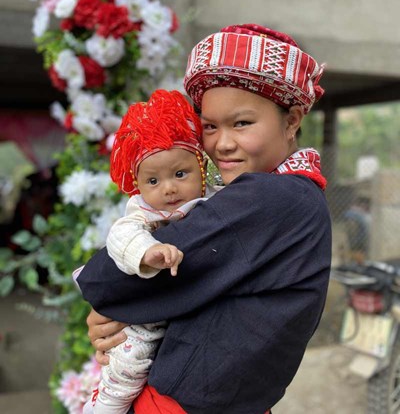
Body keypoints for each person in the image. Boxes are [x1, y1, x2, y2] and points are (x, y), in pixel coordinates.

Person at [78, 23, 332, 414]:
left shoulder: (273, 197)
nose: (223, 143)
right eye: (210, 127)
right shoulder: (295, 197)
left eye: (242, 123)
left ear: (293, 119)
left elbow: (111, 280)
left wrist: (108, 305)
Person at [81, 89, 217, 414]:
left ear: (201, 169)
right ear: (138, 186)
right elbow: (121, 236)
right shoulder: (144, 214)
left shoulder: (216, 202)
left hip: (187, 320)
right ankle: (105, 407)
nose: (168, 188)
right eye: (153, 181)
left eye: (180, 174)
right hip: (146, 319)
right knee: (129, 361)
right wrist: (147, 252)